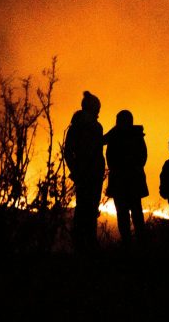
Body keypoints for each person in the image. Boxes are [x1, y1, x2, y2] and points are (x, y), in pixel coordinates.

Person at [64, 91, 105, 251]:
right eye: (97, 107)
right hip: (89, 173)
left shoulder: (80, 126)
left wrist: (75, 169)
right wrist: (76, 169)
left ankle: (85, 244)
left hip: (90, 173)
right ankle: (85, 245)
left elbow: (68, 152)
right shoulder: (85, 127)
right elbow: (69, 151)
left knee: (86, 208)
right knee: (86, 209)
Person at [104, 110, 149, 246]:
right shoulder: (136, 135)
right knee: (134, 213)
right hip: (132, 180)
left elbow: (109, 155)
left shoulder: (116, 136)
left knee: (126, 214)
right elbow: (143, 156)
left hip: (122, 181)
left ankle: (130, 244)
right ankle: (138, 243)